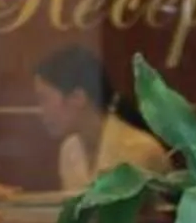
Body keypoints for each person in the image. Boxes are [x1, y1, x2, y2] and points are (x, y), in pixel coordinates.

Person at [33, 44, 171, 193]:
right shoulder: (69, 149)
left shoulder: (140, 151)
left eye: (44, 99)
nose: (41, 111)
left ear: (78, 97)